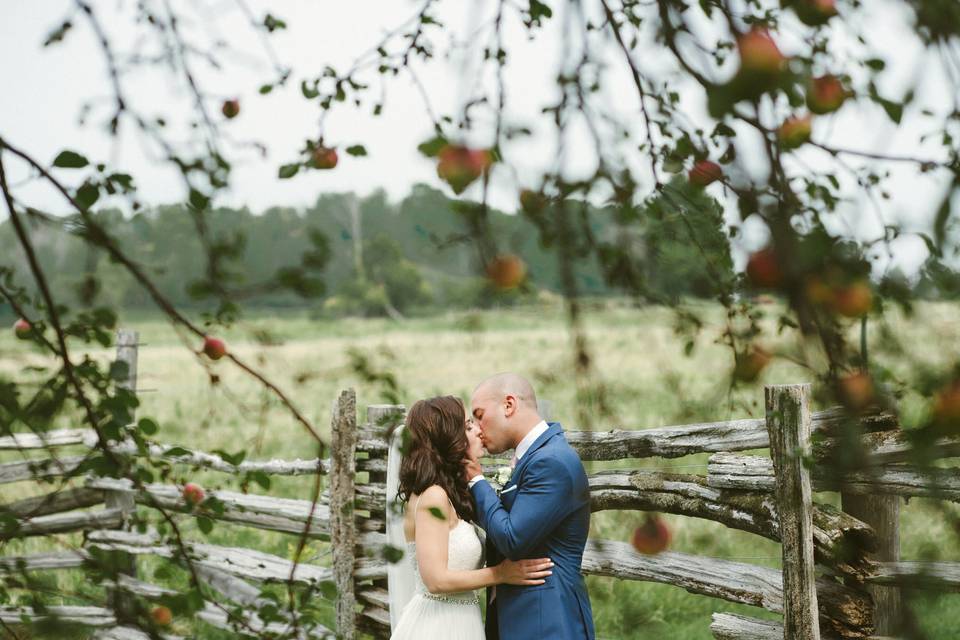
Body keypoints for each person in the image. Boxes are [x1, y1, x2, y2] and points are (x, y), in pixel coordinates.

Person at [388, 395, 554, 640]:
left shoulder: (450, 493)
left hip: (463, 621)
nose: (478, 430)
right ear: (448, 438)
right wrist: (501, 574)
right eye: (467, 426)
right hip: (438, 627)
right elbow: (435, 580)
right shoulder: (433, 496)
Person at [464, 373, 596, 640]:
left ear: (509, 405)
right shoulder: (535, 457)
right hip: (523, 618)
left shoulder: (551, 461)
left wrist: (476, 479)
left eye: (480, 415)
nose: (478, 428)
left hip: (547, 622)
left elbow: (513, 538)